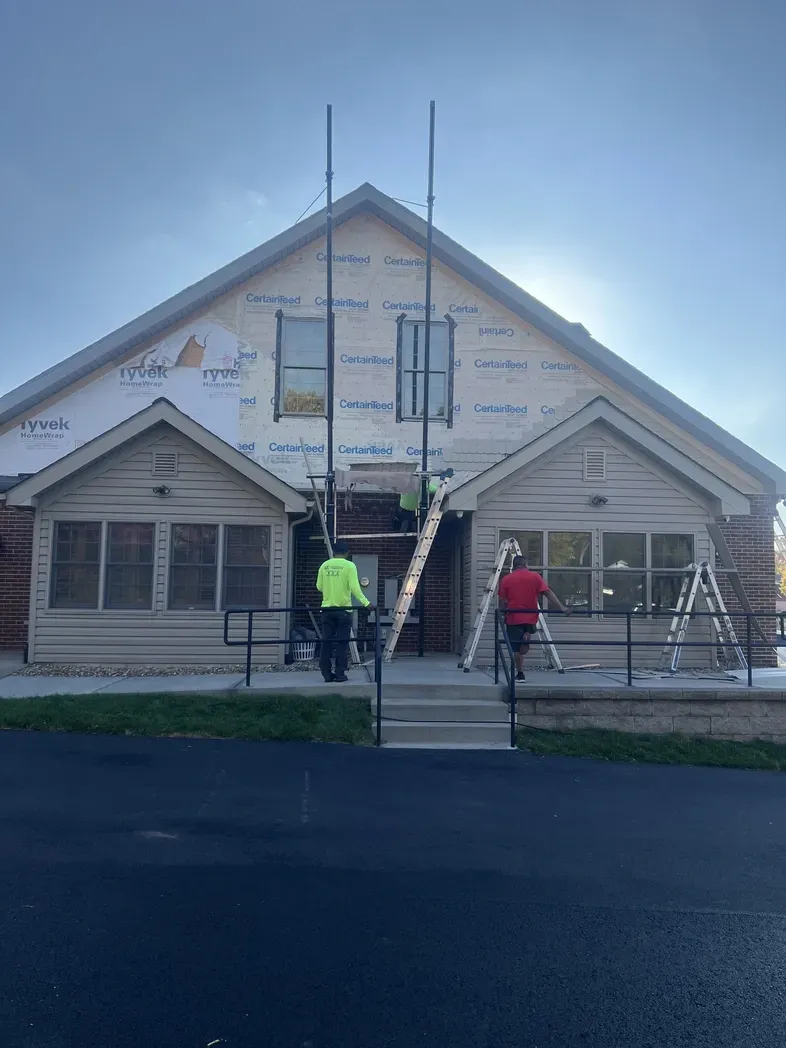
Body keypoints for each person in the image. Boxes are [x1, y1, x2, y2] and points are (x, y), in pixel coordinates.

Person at [498, 556, 570, 681]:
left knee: (515, 648)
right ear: (525, 564)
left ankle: (520, 673)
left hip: (514, 616)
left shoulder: (506, 579)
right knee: (524, 642)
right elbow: (547, 592)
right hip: (531, 616)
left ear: (513, 566)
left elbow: (502, 600)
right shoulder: (535, 576)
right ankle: (526, 636)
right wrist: (562, 608)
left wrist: (503, 614)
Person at [316, 540, 373, 683]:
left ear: (334, 553)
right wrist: (366, 603)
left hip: (327, 609)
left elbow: (319, 586)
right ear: (347, 553)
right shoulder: (349, 566)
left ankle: (326, 673)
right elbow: (355, 588)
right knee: (342, 643)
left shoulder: (325, 565)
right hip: (344, 611)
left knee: (326, 642)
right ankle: (340, 674)